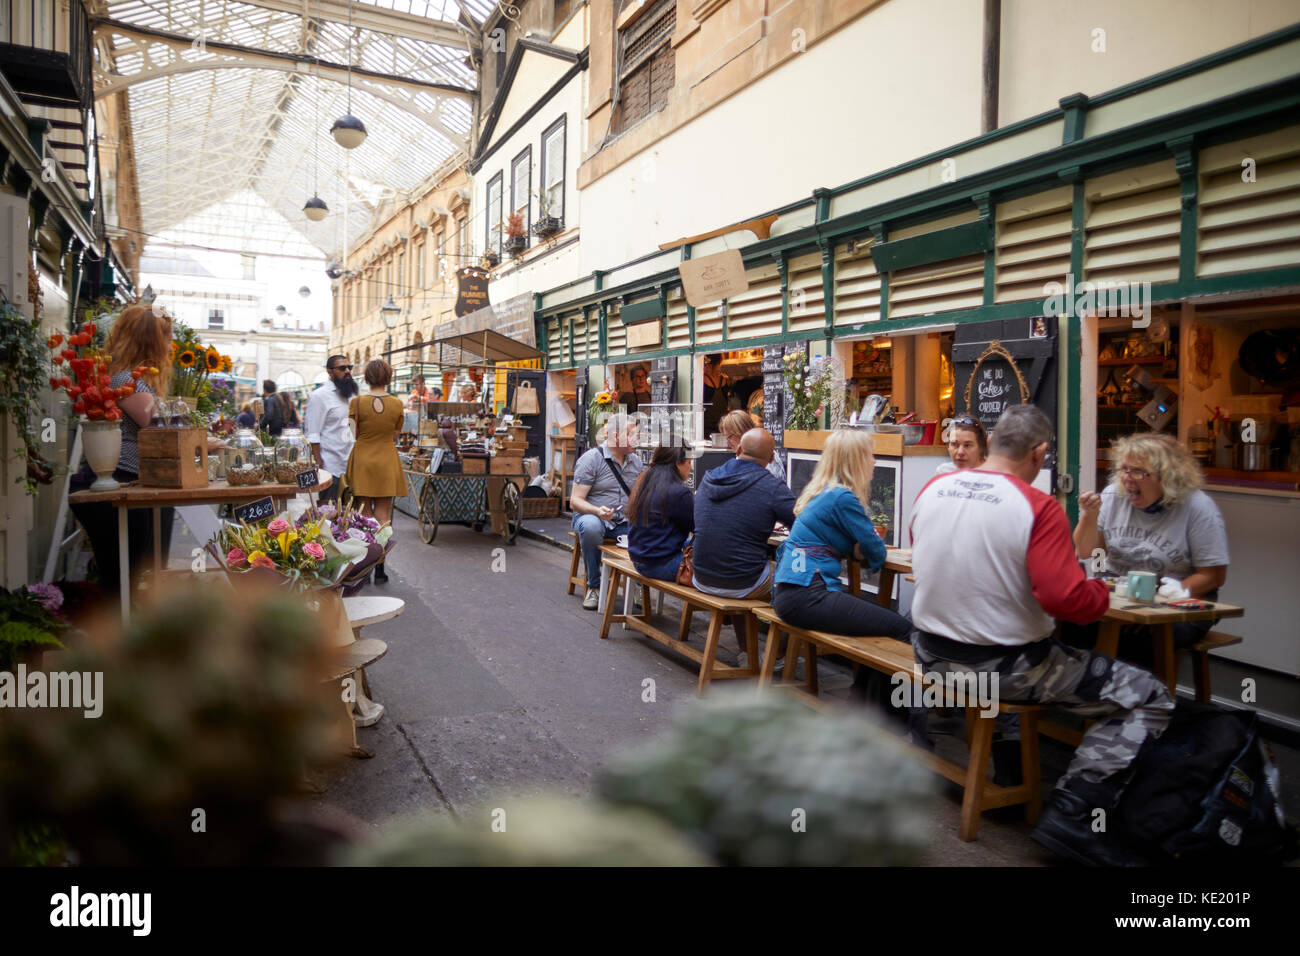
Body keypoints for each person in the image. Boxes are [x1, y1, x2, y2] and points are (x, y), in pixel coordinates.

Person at [909, 405, 1174, 866]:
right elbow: (1066, 600)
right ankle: (1075, 813)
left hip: (929, 656)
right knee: (1149, 695)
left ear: (990, 443)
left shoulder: (934, 488)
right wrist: (1096, 590)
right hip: (1002, 669)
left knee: (1064, 657)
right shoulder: (1036, 507)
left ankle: (1028, 778)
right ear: (1040, 453)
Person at [773, 429, 912, 700]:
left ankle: (862, 700)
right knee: (901, 629)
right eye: (871, 455)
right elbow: (876, 552)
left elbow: (853, 546)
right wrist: (864, 549)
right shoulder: (843, 498)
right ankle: (889, 717)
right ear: (857, 460)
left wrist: (859, 548)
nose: (874, 461)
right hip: (809, 594)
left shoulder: (822, 493)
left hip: (791, 592)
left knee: (879, 626)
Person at [1071, 432, 1229, 661]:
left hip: (1183, 599)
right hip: (1123, 593)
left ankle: (1144, 694)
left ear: (1168, 477)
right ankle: (1086, 689)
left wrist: (1161, 602)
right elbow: (1088, 552)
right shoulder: (1113, 495)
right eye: (1123, 469)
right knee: (1071, 623)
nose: (1127, 478)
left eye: (1138, 471)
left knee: (1138, 639)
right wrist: (1090, 516)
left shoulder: (1198, 508)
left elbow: (1213, 576)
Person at [68, 305, 177, 595]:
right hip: (126, 479)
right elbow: (159, 426)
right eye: (166, 338)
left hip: (134, 481)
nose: (170, 346)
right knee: (134, 577)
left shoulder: (127, 378)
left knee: (136, 577)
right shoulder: (125, 381)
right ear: (149, 341)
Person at [692, 428, 795, 601]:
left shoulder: (709, 478)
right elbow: (803, 522)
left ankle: (746, 629)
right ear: (771, 459)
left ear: (739, 450)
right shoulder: (772, 487)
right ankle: (783, 627)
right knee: (798, 575)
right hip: (745, 582)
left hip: (701, 576)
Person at [570, 413, 644, 610]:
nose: (636, 438)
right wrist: (597, 510)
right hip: (594, 518)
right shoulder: (592, 459)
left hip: (623, 523)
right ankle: (593, 586)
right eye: (632, 434)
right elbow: (575, 501)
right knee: (591, 526)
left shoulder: (636, 462)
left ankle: (638, 584)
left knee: (648, 528)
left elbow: (638, 497)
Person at [345, 360, 405, 584]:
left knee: (364, 514)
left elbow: (353, 433)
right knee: (384, 516)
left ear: (367, 378)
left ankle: (365, 564)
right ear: (388, 377)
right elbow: (395, 435)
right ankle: (381, 565)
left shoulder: (357, 402)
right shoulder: (398, 404)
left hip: (363, 459)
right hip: (387, 459)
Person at [626, 446, 695, 582]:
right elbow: (697, 528)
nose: (690, 468)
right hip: (661, 564)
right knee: (713, 557)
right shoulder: (679, 493)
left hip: (639, 559)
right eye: (689, 462)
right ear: (677, 463)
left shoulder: (645, 481)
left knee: (692, 543)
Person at [306, 356, 357, 503]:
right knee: (327, 514)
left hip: (351, 465)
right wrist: (319, 465)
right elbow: (313, 434)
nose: (347, 371)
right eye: (342, 368)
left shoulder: (353, 395)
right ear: (330, 372)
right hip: (330, 466)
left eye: (349, 367)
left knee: (349, 516)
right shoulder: (319, 396)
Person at [719, 408, 785, 485]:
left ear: (741, 432)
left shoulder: (763, 453)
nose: (727, 442)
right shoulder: (740, 457)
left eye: (729, 437)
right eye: (725, 437)